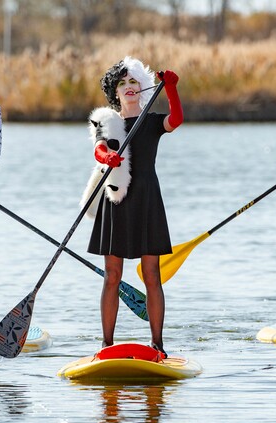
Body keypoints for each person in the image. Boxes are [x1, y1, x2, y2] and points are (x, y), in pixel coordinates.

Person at [84, 57, 183, 356]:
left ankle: (158, 345)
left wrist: (172, 89)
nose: (128, 87)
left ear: (142, 87)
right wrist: (106, 158)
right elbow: (99, 147)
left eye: (133, 82)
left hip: (148, 199)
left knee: (152, 275)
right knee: (112, 275)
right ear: (115, 92)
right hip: (116, 199)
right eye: (122, 84)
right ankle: (106, 344)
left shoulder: (152, 120)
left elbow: (175, 119)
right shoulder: (107, 121)